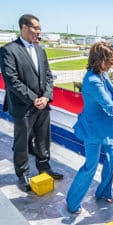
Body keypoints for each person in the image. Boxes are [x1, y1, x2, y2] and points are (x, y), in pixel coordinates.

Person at [66, 41, 113, 214]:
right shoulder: (92, 80)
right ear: (98, 59)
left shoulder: (102, 75)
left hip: (106, 127)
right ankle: (72, 202)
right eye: (108, 61)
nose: (110, 65)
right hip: (93, 129)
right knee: (90, 166)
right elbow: (110, 108)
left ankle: (103, 192)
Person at [0, 14, 63, 192]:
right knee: (22, 142)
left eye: (39, 28)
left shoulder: (40, 50)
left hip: (43, 105)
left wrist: (46, 96)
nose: (38, 32)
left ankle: (44, 167)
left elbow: (49, 76)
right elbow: (11, 80)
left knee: (43, 139)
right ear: (24, 28)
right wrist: (33, 99)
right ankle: (23, 174)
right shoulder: (8, 50)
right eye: (35, 28)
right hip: (23, 107)